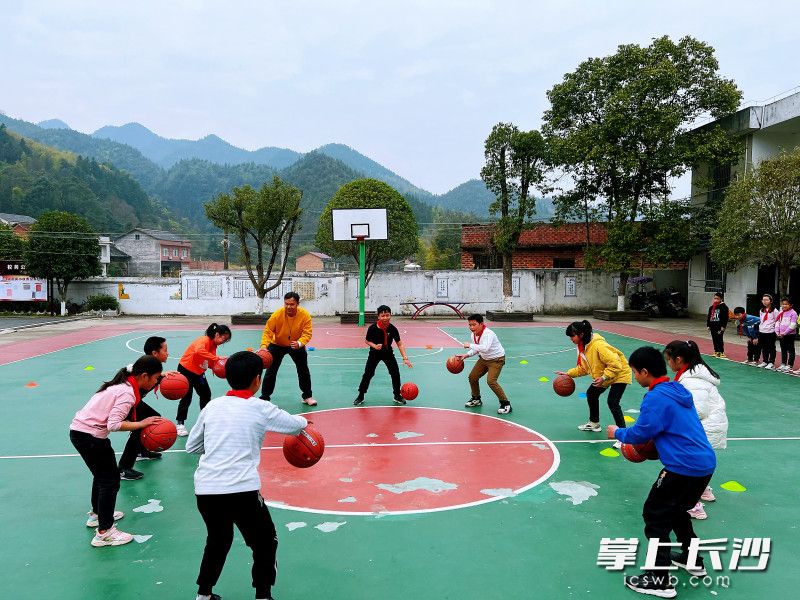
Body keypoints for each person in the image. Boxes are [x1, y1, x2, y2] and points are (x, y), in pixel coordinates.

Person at [186, 351, 308, 600]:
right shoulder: (260, 408)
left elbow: (192, 446)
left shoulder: (212, 406)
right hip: (241, 491)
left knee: (218, 540)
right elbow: (294, 424)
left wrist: (220, 444)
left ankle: (203, 595)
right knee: (265, 542)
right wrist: (306, 423)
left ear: (227, 378)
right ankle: (263, 595)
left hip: (207, 490)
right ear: (257, 380)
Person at [608, 347, 716, 598]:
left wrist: (618, 433)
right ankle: (693, 561)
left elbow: (641, 434)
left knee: (655, 515)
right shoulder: (676, 390)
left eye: (635, 372)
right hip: (703, 465)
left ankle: (659, 579)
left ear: (644, 372)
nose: (635, 377)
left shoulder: (656, 397)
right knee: (677, 511)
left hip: (683, 468)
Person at [69, 356, 164, 547]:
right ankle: (104, 532)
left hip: (82, 432)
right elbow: (113, 424)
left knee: (102, 476)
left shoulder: (124, 384)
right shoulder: (127, 393)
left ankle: (97, 515)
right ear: (144, 376)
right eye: (155, 378)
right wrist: (141, 424)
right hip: (90, 437)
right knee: (109, 481)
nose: (156, 382)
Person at [663, 340, 728, 520]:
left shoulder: (691, 380)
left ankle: (693, 505)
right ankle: (704, 489)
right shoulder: (691, 374)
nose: (668, 363)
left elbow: (698, 410)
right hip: (708, 425)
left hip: (706, 426)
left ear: (679, 359)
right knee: (695, 464)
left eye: (669, 359)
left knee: (684, 467)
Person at [118, 336, 182, 480]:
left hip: (134, 400)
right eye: (165, 350)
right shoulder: (144, 368)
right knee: (142, 425)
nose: (168, 353)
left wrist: (163, 376)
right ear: (154, 353)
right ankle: (123, 468)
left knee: (154, 417)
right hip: (126, 402)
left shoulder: (151, 366)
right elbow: (133, 373)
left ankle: (142, 451)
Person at [556, 320, 631, 438]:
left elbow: (616, 364)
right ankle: (594, 423)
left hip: (619, 373)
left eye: (572, 336)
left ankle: (623, 434)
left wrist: (604, 377)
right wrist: (568, 374)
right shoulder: (583, 347)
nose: (571, 339)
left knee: (613, 402)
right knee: (591, 394)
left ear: (581, 335)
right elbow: (584, 368)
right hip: (604, 375)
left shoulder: (599, 345)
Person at [259, 292, 316, 406]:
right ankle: (265, 397)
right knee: (271, 371)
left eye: (292, 304)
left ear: (298, 304)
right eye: (286, 304)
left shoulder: (305, 315)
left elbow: (307, 333)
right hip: (277, 344)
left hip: (296, 345)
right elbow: (268, 332)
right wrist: (264, 347)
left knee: (303, 370)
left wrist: (300, 343)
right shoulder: (277, 315)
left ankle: (307, 396)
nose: (289, 307)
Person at [176, 324, 232, 437]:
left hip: (198, 372)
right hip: (186, 369)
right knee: (187, 396)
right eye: (223, 338)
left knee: (206, 394)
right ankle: (180, 424)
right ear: (217, 334)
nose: (223, 341)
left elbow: (209, 361)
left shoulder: (214, 346)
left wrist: (216, 367)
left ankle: (205, 420)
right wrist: (217, 358)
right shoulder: (204, 340)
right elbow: (198, 351)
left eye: (225, 340)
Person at [354, 305, 413, 406]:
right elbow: (367, 341)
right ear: (378, 317)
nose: (385, 317)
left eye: (387, 315)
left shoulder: (392, 329)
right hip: (374, 354)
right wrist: (375, 346)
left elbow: (400, 343)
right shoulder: (372, 328)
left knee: (395, 373)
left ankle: (397, 395)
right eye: (382, 315)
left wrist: (405, 358)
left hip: (388, 353)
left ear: (390, 315)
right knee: (368, 374)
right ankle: (361, 395)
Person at [455, 314, 512, 414]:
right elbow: (476, 349)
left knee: (491, 381)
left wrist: (470, 345)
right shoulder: (473, 334)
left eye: (474, 325)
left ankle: (505, 403)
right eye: (470, 325)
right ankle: (476, 399)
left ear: (481, 324)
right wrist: (466, 355)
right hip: (484, 358)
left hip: (496, 359)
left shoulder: (488, 334)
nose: (471, 327)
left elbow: (485, 348)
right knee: (472, 377)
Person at [775, 297, 798, 373]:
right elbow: (778, 322)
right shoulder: (781, 313)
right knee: (783, 349)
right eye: (783, 304)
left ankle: (789, 365)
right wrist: (777, 332)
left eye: (786, 304)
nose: (784, 306)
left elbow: (793, 325)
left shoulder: (793, 313)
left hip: (790, 335)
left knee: (791, 350)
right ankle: (783, 364)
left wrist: (784, 333)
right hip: (781, 335)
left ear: (790, 305)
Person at [757, 293, 778, 370]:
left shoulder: (774, 311)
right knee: (764, 347)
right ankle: (765, 361)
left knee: (771, 347)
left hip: (770, 332)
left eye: (766, 300)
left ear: (771, 301)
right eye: (763, 300)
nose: (764, 301)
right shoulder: (761, 310)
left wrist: (774, 330)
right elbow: (761, 320)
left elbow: (776, 321)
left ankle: (771, 362)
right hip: (762, 331)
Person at [706, 291, 729, 358]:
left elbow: (725, 318)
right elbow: (709, 317)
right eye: (714, 298)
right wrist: (708, 325)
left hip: (719, 326)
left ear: (721, 299)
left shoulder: (724, 307)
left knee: (719, 339)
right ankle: (716, 351)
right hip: (713, 326)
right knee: (714, 339)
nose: (715, 300)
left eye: (717, 298)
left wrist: (723, 327)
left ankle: (721, 352)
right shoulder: (711, 307)